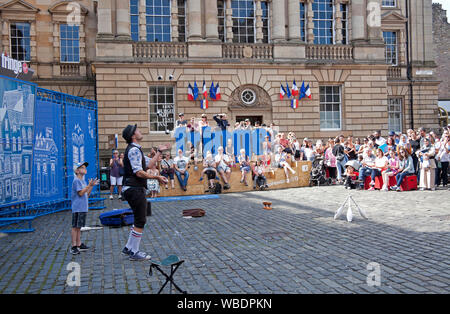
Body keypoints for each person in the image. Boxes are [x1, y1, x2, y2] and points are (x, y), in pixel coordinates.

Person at [121, 124, 169, 261]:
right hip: (134, 189)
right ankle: (134, 252)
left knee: (138, 218)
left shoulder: (136, 150)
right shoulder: (134, 150)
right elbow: (139, 172)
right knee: (141, 220)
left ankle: (129, 247)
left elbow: (148, 165)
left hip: (133, 188)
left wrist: (159, 152)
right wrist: (157, 177)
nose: (140, 131)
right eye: (137, 130)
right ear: (132, 135)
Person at [70, 162, 99, 255]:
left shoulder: (83, 181)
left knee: (79, 227)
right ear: (77, 171)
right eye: (82, 167)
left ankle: (79, 243)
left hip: (82, 207)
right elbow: (80, 193)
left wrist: (91, 186)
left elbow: (87, 194)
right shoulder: (76, 181)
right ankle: (74, 246)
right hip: (77, 207)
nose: (85, 169)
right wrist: (88, 186)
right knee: (75, 227)